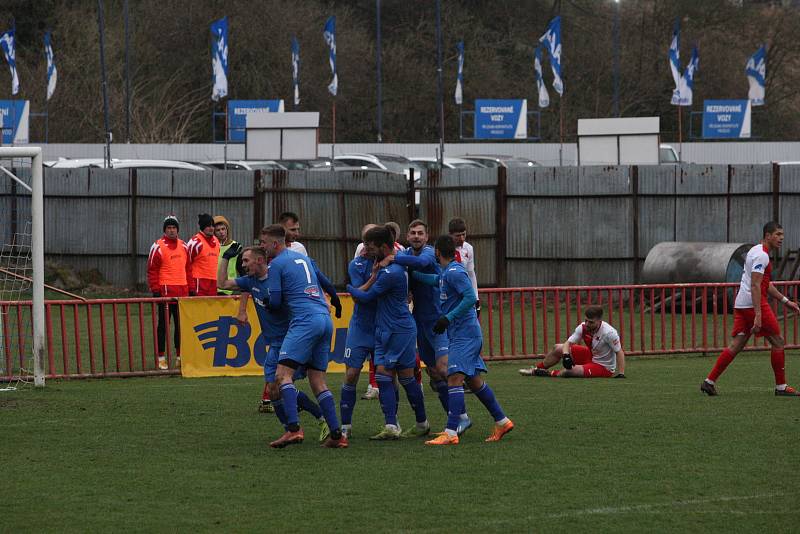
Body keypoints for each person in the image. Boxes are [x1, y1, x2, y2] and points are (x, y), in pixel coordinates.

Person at [217, 245, 331, 443]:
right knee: (273, 388)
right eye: (241, 261)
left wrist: (323, 299)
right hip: (275, 342)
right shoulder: (250, 281)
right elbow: (222, 282)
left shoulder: (279, 277)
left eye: (246, 261)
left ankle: (311, 424)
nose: (243, 265)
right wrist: (227, 259)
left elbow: (308, 284)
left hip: (292, 339)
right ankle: (299, 427)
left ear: (259, 260)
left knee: (283, 383)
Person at [412, 235, 514, 445]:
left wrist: (447, 318)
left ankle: (450, 432)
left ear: (437, 253)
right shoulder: (446, 273)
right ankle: (502, 421)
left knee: (453, 378)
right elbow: (436, 280)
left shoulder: (455, 272)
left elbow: (470, 297)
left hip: (465, 335)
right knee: (474, 381)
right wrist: (413, 275)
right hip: (462, 334)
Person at [261, 224, 347, 448]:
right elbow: (325, 281)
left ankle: (293, 429)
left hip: (304, 321)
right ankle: (337, 435)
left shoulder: (276, 264)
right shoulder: (303, 258)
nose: (262, 247)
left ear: (275, 243)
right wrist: (336, 302)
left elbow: (277, 302)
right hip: (324, 319)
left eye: (263, 243)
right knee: (317, 380)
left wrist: (267, 302)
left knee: (282, 376)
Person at [347, 226, 429, 440]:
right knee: (383, 374)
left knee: (405, 377)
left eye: (372, 247)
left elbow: (364, 298)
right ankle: (392, 425)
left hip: (399, 329)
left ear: (384, 247)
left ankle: (421, 422)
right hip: (385, 328)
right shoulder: (389, 266)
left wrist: (350, 289)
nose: (368, 250)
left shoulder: (391, 272)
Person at [701, 221, 800, 396]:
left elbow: (763, 284)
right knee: (778, 341)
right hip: (752, 304)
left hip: (742, 303)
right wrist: (758, 314)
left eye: (782, 235)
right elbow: (755, 286)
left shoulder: (754, 250)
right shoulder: (762, 256)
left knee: (736, 344)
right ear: (767, 236)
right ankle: (781, 387)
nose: (781, 238)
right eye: (777, 234)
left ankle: (709, 382)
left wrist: (786, 301)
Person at [380, 220, 450, 424]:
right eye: (413, 233)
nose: (417, 236)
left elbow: (420, 265)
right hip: (418, 319)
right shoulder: (407, 253)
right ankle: (453, 419)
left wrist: (394, 258)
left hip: (438, 319)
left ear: (427, 237)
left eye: (421, 233)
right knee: (434, 372)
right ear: (408, 236)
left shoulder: (427, 252)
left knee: (444, 368)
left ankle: (460, 416)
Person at [519, 306, 625, 378]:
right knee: (557, 348)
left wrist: (621, 373)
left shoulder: (609, 333)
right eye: (586, 320)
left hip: (603, 367)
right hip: (590, 356)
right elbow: (567, 343)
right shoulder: (583, 327)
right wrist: (566, 355)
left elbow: (619, 352)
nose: (587, 324)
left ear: (599, 321)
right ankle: (536, 369)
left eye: (591, 322)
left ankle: (548, 373)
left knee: (570, 371)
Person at [339, 248, 377, 438]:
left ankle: (392, 423)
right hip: (360, 328)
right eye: (365, 242)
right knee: (352, 373)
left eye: (371, 243)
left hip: (383, 326)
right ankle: (345, 425)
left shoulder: (393, 261)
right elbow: (357, 295)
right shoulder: (356, 264)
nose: (366, 248)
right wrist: (373, 277)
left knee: (388, 375)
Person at [147, 215, 191, 370]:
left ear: (177, 229)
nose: (172, 230)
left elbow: (188, 269)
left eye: (174, 228)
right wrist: (156, 290)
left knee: (181, 327)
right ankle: (161, 357)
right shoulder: (157, 246)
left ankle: (180, 357)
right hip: (165, 294)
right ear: (165, 230)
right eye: (169, 228)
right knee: (163, 326)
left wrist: (190, 289)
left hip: (182, 294)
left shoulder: (184, 246)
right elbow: (152, 270)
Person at [449, 217, 480, 318]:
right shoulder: (443, 248)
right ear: (450, 235)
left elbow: (471, 273)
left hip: (464, 294)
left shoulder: (469, 248)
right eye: (458, 236)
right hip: (448, 294)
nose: (462, 238)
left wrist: (476, 297)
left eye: (464, 234)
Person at [187, 213, 220, 296]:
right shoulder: (195, 242)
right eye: (208, 226)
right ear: (202, 227)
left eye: (213, 226)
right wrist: (191, 285)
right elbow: (186, 264)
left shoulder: (216, 241)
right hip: (198, 282)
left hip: (213, 282)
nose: (211, 228)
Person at [213, 215, 244, 296]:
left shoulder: (236, 246)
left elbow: (242, 269)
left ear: (227, 229)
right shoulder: (210, 247)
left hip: (230, 288)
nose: (221, 232)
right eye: (218, 230)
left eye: (223, 229)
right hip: (214, 288)